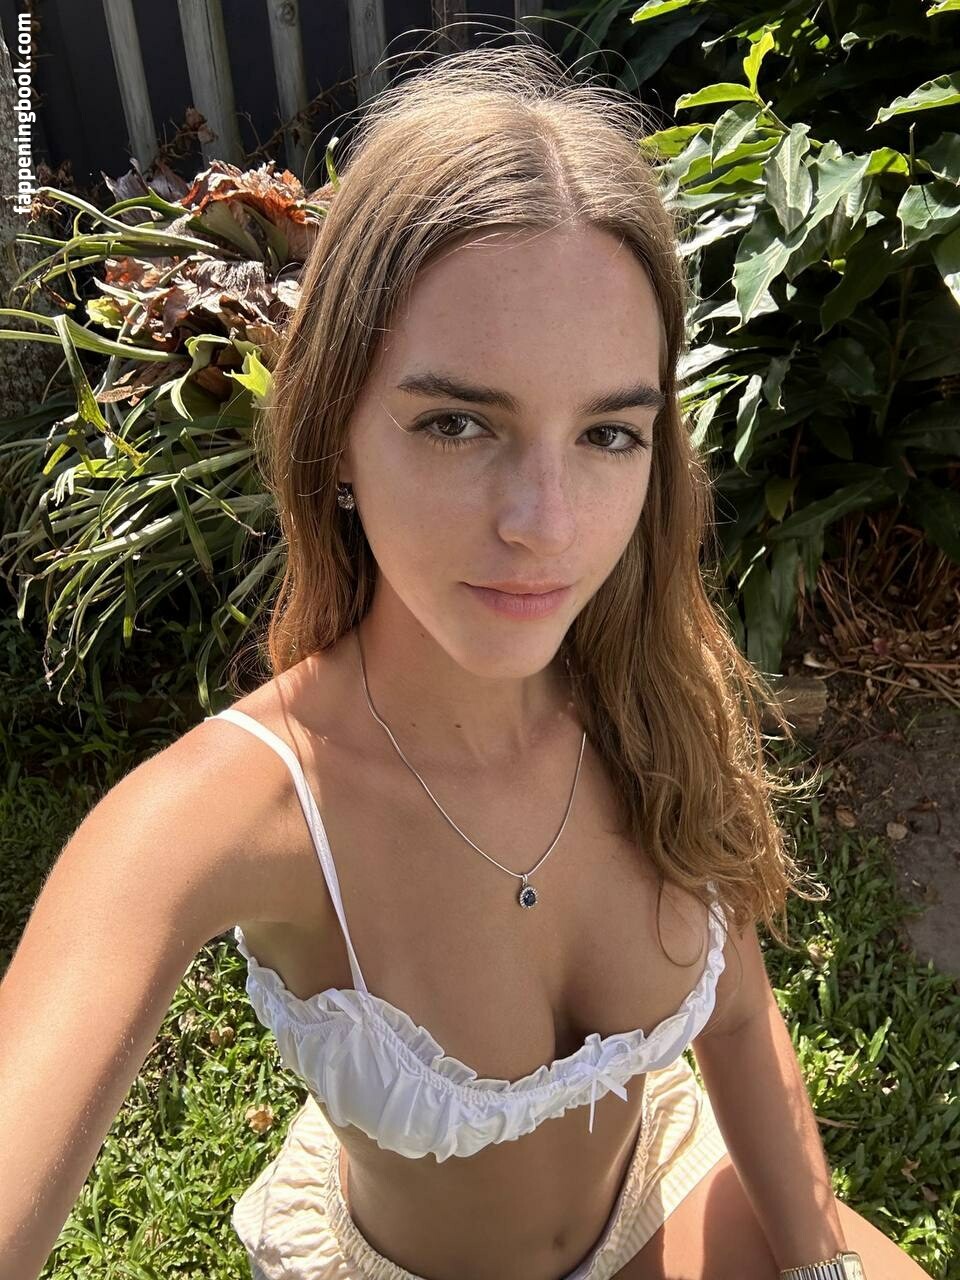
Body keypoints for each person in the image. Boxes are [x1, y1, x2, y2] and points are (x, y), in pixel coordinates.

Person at [0, 38, 933, 1280]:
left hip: (670, 1180)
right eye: (456, 422)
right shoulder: (237, 814)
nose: (546, 524)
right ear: (334, 428)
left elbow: (741, 1008)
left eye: (608, 433)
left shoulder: (652, 689)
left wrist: (819, 1263)